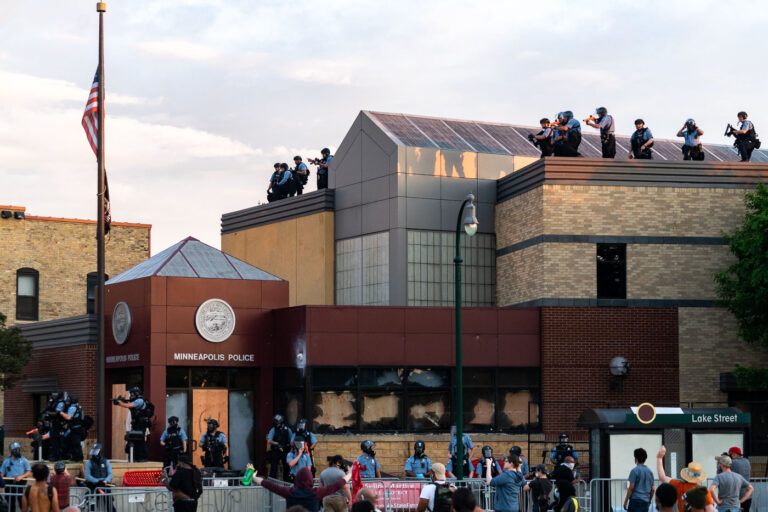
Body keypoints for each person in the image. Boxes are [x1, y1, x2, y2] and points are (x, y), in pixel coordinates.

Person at [254, 466, 352, 512]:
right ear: (310, 480)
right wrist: (350, 473)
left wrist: (254, 477)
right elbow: (338, 484)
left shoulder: (289, 492)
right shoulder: (316, 493)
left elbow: (270, 485)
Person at [656, 445, 715, 512]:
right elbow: (710, 510)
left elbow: (663, 477)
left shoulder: (680, 486)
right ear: (700, 477)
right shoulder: (704, 491)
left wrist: (659, 458)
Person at [112, 386, 152, 462]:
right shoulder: (136, 401)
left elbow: (129, 405)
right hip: (136, 425)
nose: (131, 395)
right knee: (134, 441)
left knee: (140, 442)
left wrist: (120, 402)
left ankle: (141, 458)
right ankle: (134, 458)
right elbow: (128, 404)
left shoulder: (139, 401)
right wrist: (120, 402)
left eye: (132, 393)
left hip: (141, 425)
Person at [1, 442, 32, 512]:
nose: (17, 451)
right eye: (15, 450)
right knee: (10, 503)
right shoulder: (6, 461)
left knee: (22, 502)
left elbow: (28, 472)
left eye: (18, 449)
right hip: (9, 484)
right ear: (12, 451)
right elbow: (2, 473)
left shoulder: (24, 460)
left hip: (20, 484)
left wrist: (21, 476)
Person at [84, 444, 114, 512]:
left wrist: (106, 481)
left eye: (96, 452)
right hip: (93, 485)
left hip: (104, 485)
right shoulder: (89, 462)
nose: (94, 454)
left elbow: (110, 474)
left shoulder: (106, 461)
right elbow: (87, 476)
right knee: (92, 505)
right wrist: (96, 481)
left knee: (109, 504)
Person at [623, 448, 654, 512]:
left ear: (636, 458)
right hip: (645, 502)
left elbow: (631, 488)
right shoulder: (650, 472)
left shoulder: (634, 471)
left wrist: (625, 502)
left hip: (635, 501)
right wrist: (649, 500)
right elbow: (653, 489)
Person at [267, 414, 293, 480]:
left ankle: (287, 483)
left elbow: (291, 441)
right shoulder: (273, 429)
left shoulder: (287, 429)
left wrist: (290, 450)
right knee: (274, 467)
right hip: (276, 450)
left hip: (285, 450)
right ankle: (272, 482)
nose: (276, 423)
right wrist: (276, 443)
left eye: (277, 421)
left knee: (286, 467)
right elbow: (269, 440)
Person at [727, 446, 751, 512]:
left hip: (737, 497)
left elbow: (721, 470)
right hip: (748, 495)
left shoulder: (733, 462)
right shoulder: (746, 461)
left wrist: (721, 461)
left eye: (730, 455)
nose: (730, 457)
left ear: (734, 454)